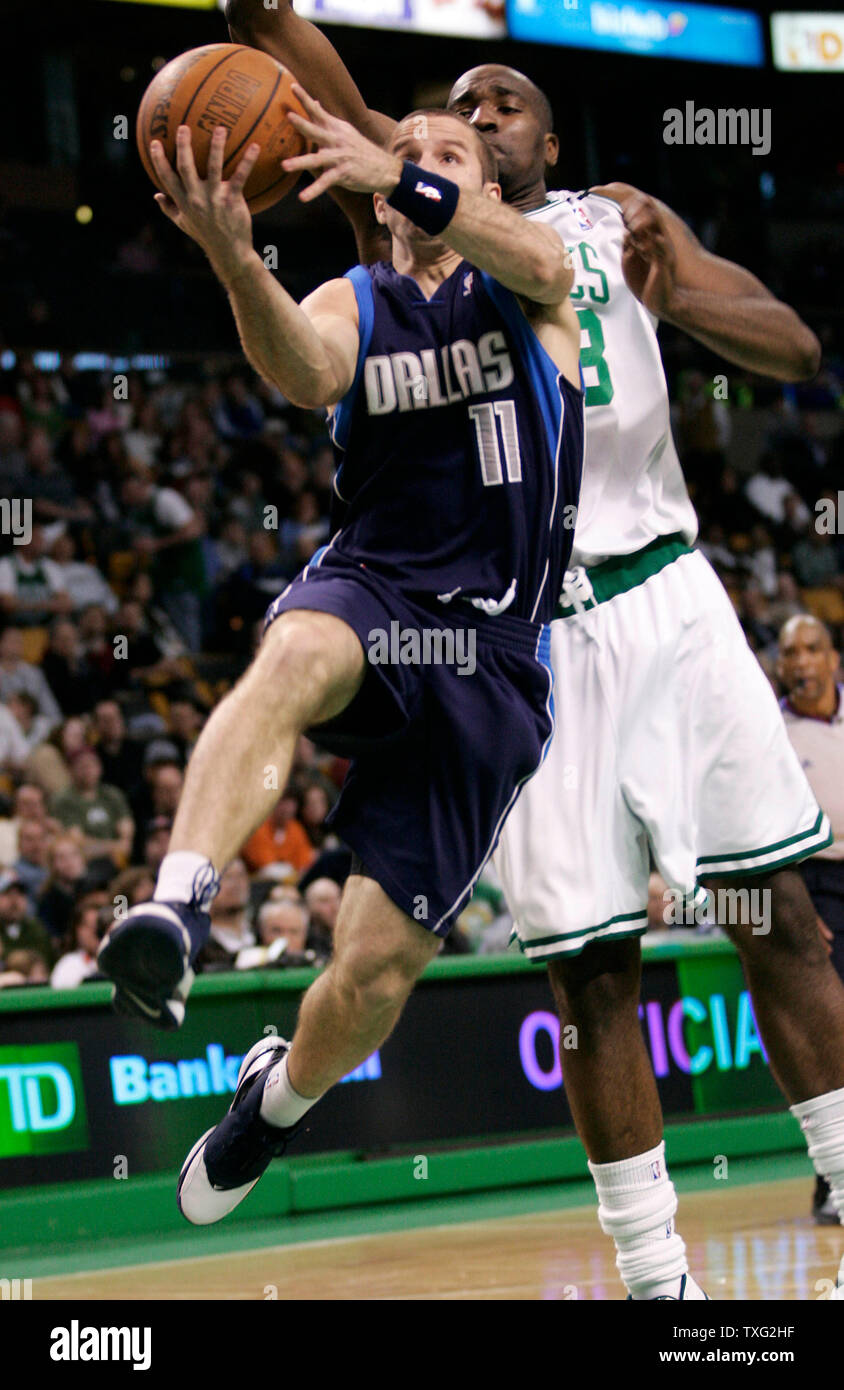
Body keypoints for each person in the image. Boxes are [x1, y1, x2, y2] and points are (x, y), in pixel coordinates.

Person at [223, 9, 844, 1301]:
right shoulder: (408, 229)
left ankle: (840, 1163)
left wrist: (676, 278)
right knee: (594, 967)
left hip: (674, 593)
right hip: (532, 630)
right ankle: (658, 1273)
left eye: (505, 99)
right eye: (461, 102)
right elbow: (312, 76)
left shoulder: (619, 223)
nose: (478, 111)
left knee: (780, 918)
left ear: (552, 142)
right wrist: (262, 20)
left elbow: (791, 344)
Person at [95, 95, 583, 1232]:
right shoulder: (351, 297)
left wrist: (404, 168)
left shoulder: (531, 283)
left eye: (450, 155)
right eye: (406, 155)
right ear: (374, 196)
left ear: (491, 184)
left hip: (494, 656)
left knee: (370, 974)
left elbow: (542, 255)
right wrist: (231, 258)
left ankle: (271, 1105)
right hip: (375, 586)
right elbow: (308, 372)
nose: (423, 165)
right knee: (293, 653)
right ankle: (173, 913)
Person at [778, 614, 844, 1226]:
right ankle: (831, 1182)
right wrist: (795, 905)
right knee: (833, 1044)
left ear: (833, 660)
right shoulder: (769, 729)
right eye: (790, 651)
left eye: (812, 649)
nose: (801, 661)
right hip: (816, 888)